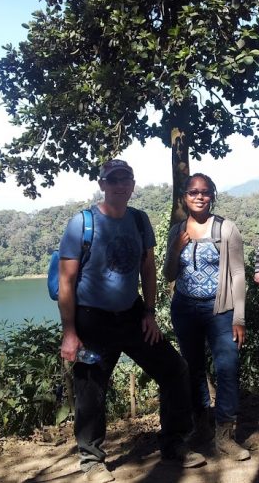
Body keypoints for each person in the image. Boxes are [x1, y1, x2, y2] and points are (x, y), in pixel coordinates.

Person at [58, 159, 204, 482]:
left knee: (174, 368)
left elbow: (148, 268)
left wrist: (149, 313)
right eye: (114, 181)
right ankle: (92, 461)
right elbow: (66, 281)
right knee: (91, 389)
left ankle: (174, 443)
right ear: (102, 184)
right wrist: (70, 332)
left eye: (126, 181)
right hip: (92, 321)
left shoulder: (139, 220)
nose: (120, 187)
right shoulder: (81, 223)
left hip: (133, 316)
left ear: (133, 185)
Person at [163, 173, 250, 461]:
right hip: (185, 309)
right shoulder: (177, 231)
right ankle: (201, 426)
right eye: (192, 192)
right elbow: (169, 274)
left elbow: (238, 274)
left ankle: (225, 435)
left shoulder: (226, 229)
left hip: (219, 309)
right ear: (184, 197)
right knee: (193, 368)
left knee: (227, 367)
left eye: (204, 192)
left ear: (212, 195)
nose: (199, 197)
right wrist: (176, 250)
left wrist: (239, 318)